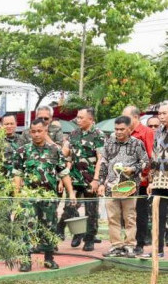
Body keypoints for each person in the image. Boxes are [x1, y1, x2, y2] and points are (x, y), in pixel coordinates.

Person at [13, 118, 75, 270]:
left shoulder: (55, 150)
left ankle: (49, 258)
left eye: (39, 131)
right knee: (26, 226)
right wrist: (16, 197)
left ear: (45, 131)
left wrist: (71, 193)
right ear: (29, 132)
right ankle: (25, 260)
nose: (36, 134)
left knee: (49, 227)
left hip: (48, 196)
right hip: (29, 197)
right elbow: (17, 175)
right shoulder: (23, 151)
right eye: (33, 132)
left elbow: (64, 173)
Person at [97, 116, 148, 258]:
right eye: (116, 129)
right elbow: (103, 163)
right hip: (111, 187)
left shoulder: (137, 144)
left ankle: (130, 245)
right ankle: (116, 246)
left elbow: (145, 162)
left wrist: (133, 169)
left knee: (130, 218)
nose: (118, 132)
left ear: (129, 129)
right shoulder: (109, 143)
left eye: (122, 129)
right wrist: (101, 183)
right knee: (113, 218)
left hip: (129, 188)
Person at [59, 107, 104, 251]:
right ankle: (78, 232)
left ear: (90, 119)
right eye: (77, 117)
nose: (78, 120)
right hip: (74, 177)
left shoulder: (98, 135)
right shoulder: (73, 134)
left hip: (91, 178)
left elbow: (101, 159)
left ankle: (89, 239)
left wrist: (96, 179)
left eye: (81, 118)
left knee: (91, 211)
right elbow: (67, 155)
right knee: (69, 207)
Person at [122, 105, 155, 255]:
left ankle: (140, 243)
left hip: (140, 180)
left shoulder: (146, 132)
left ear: (135, 117)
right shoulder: (125, 132)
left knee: (140, 213)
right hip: (125, 180)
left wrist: (144, 173)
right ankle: (128, 242)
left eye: (126, 116)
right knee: (127, 213)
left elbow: (149, 154)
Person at [148, 101, 168, 258]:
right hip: (159, 180)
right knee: (157, 216)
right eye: (160, 113)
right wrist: (151, 180)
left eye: (164, 113)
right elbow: (154, 156)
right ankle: (158, 250)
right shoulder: (159, 131)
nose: (161, 117)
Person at [0, 112, 23, 181]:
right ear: (1, 125)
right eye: (6, 124)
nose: (9, 126)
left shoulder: (22, 140)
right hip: (3, 182)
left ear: (16, 124)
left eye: (11, 123)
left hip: (20, 182)